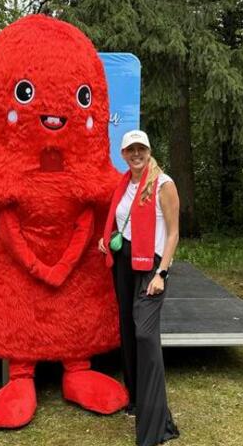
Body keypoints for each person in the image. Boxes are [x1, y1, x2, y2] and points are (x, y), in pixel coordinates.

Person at [99, 129, 180, 446]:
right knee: (128, 330)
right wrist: (107, 239)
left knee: (145, 334)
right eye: (130, 150)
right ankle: (135, 399)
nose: (136, 154)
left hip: (151, 265)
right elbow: (122, 221)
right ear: (123, 154)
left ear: (149, 150)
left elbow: (173, 233)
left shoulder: (163, 183)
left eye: (141, 149)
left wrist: (162, 273)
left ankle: (158, 423)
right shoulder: (123, 184)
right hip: (124, 261)